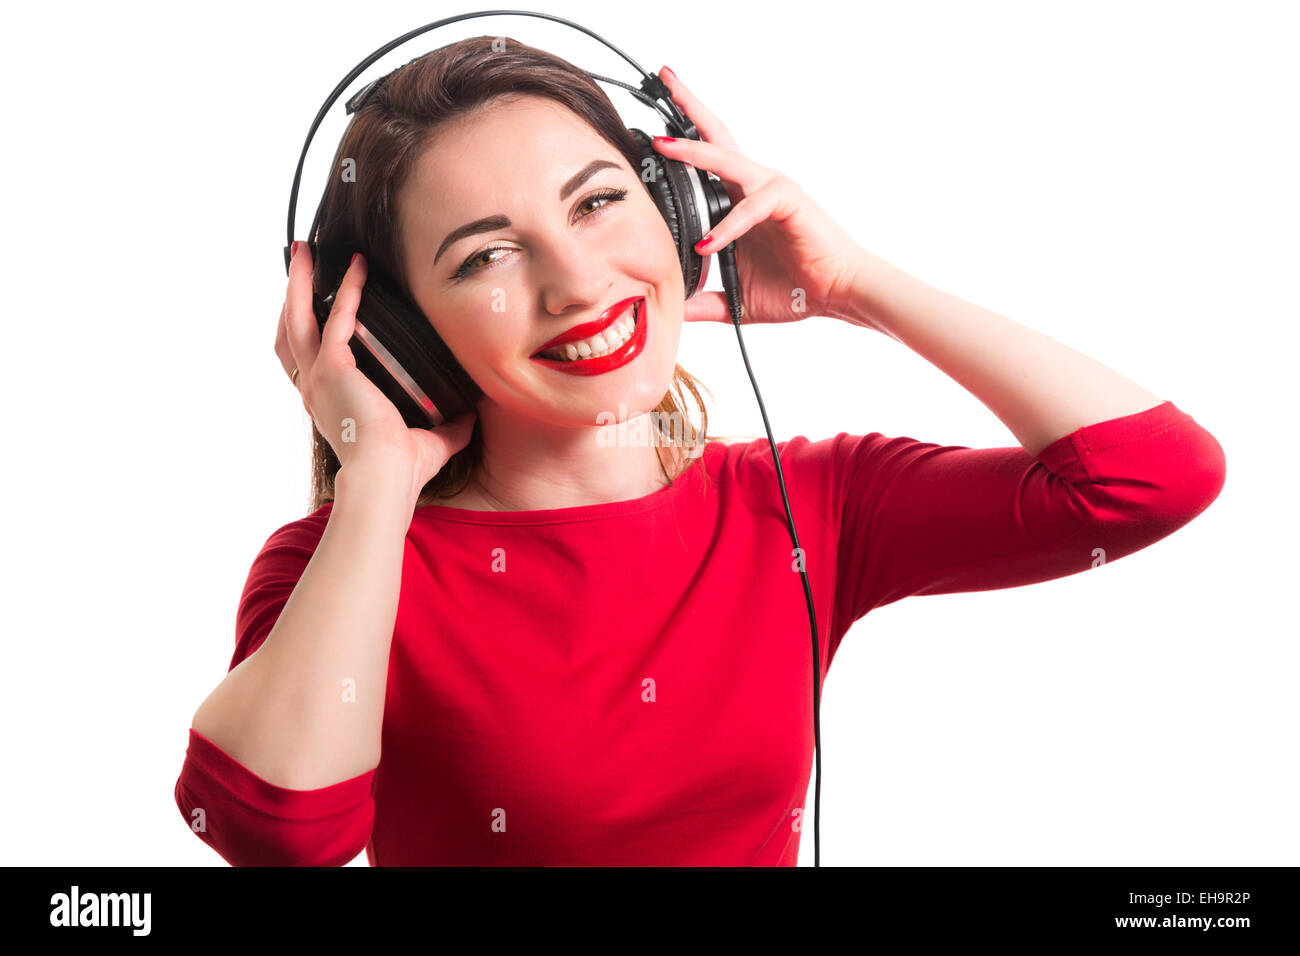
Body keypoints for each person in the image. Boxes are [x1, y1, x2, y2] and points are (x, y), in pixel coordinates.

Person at [173, 37, 1226, 866]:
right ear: (393, 332)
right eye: (488, 253)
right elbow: (276, 835)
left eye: (597, 204)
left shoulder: (805, 505)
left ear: (679, 213)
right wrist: (375, 485)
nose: (579, 284)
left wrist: (852, 284)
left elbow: (1150, 479)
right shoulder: (345, 564)